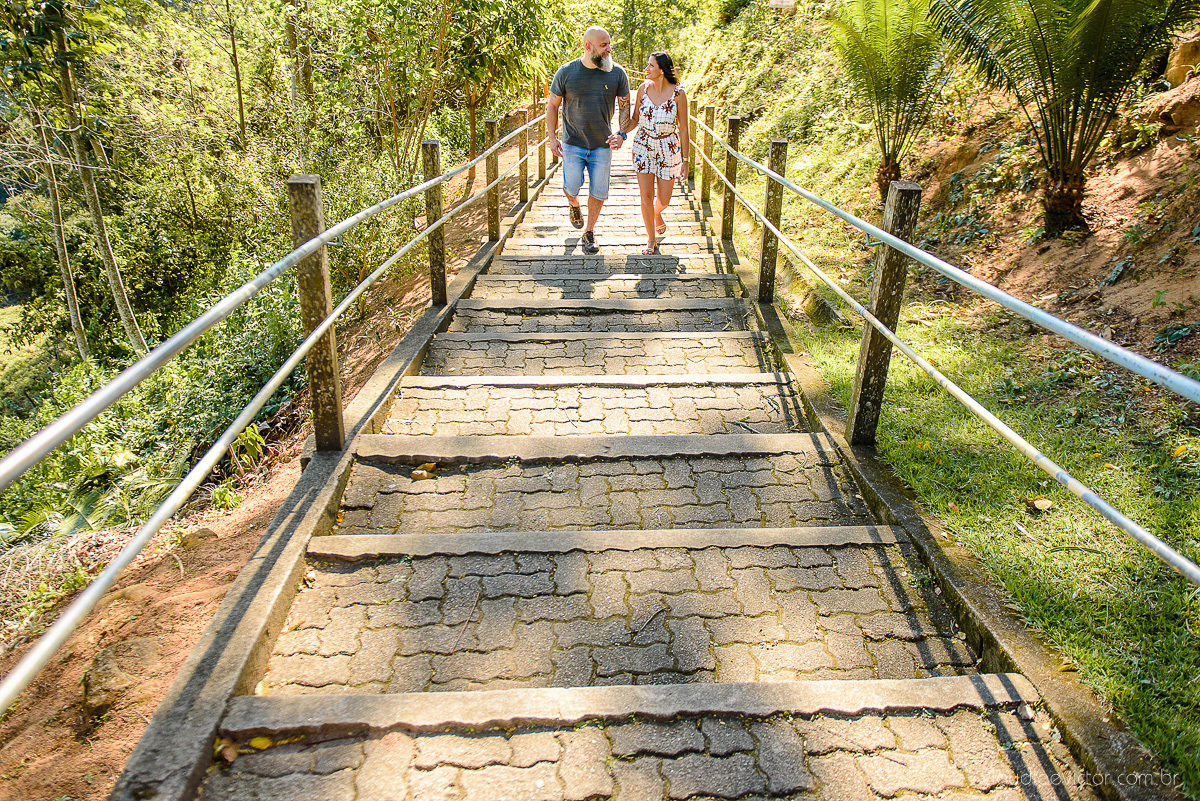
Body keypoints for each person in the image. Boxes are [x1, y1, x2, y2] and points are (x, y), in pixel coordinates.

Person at [547, 26, 632, 255]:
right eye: (603, 45)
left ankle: (589, 232)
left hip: (602, 145)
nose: (608, 49)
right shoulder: (566, 72)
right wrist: (552, 137)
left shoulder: (617, 73)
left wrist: (621, 134)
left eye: (609, 43)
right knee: (571, 186)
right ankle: (574, 205)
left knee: (599, 190)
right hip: (572, 143)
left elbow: (625, 107)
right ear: (588, 46)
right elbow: (552, 105)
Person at [615, 52, 689, 255]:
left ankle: (657, 214)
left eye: (650, 66)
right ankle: (651, 239)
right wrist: (621, 134)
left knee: (664, 200)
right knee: (646, 196)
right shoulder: (643, 89)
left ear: (662, 71)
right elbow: (634, 120)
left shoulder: (679, 94)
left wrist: (686, 160)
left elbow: (683, 129)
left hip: (669, 148)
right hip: (643, 146)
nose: (646, 69)